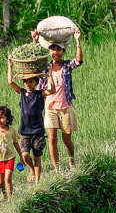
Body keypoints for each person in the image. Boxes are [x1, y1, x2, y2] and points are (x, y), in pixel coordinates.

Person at [31, 26, 83, 171]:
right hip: (50, 108)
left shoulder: (66, 66)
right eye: (53, 49)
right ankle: (57, 168)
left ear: (63, 51)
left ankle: (72, 161)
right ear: (49, 52)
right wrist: (35, 41)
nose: (56, 52)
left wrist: (78, 40)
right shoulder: (46, 68)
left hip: (65, 107)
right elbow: (34, 63)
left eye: (58, 49)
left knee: (67, 140)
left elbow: (78, 60)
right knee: (52, 138)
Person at [7, 58, 56, 184]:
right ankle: (32, 169)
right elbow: (10, 82)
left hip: (38, 131)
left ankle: (37, 182)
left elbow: (52, 90)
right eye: (25, 82)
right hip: (24, 131)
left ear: (36, 82)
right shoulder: (22, 93)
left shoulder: (40, 94)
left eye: (30, 81)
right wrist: (10, 66)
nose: (27, 84)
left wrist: (50, 75)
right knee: (25, 155)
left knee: (37, 157)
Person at [0, 105, 24, 200]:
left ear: (7, 119)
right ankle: (4, 194)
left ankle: (10, 199)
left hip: (10, 158)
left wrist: (21, 157)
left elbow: (16, 143)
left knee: (7, 178)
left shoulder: (12, 131)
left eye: (2, 117)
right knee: (0, 182)